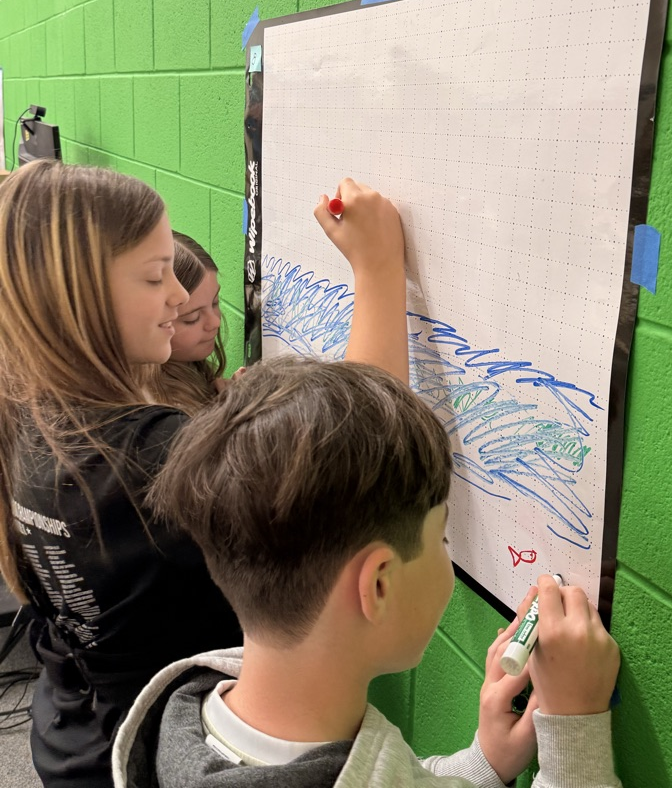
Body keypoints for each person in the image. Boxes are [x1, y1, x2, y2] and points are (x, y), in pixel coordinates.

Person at [0, 162, 407, 788]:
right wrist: (378, 268)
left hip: (75, 728)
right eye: (156, 276)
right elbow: (376, 450)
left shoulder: (32, 411)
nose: (177, 298)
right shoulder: (148, 453)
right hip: (145, 749)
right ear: (78, 299)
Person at [113, 357, 622, 788]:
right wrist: (574, 728)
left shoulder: (187, 713)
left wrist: (484, 763)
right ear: (378, 585)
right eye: (442, 539)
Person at [146, 233, 233, 413]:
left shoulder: (187, 362)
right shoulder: (167, 411)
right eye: (192, 318)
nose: (215, 322)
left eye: (215, 302)